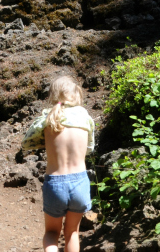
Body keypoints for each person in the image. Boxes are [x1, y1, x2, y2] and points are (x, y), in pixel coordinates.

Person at [22, 76, 95, 252]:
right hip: (80, 182)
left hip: (56, 183)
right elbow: (90, 148)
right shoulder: (85, 117)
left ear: (53, 95)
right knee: (72, 233)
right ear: (77, 94)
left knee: (52, 233)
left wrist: (46, 142)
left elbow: (26, 143)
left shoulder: (48, 117)